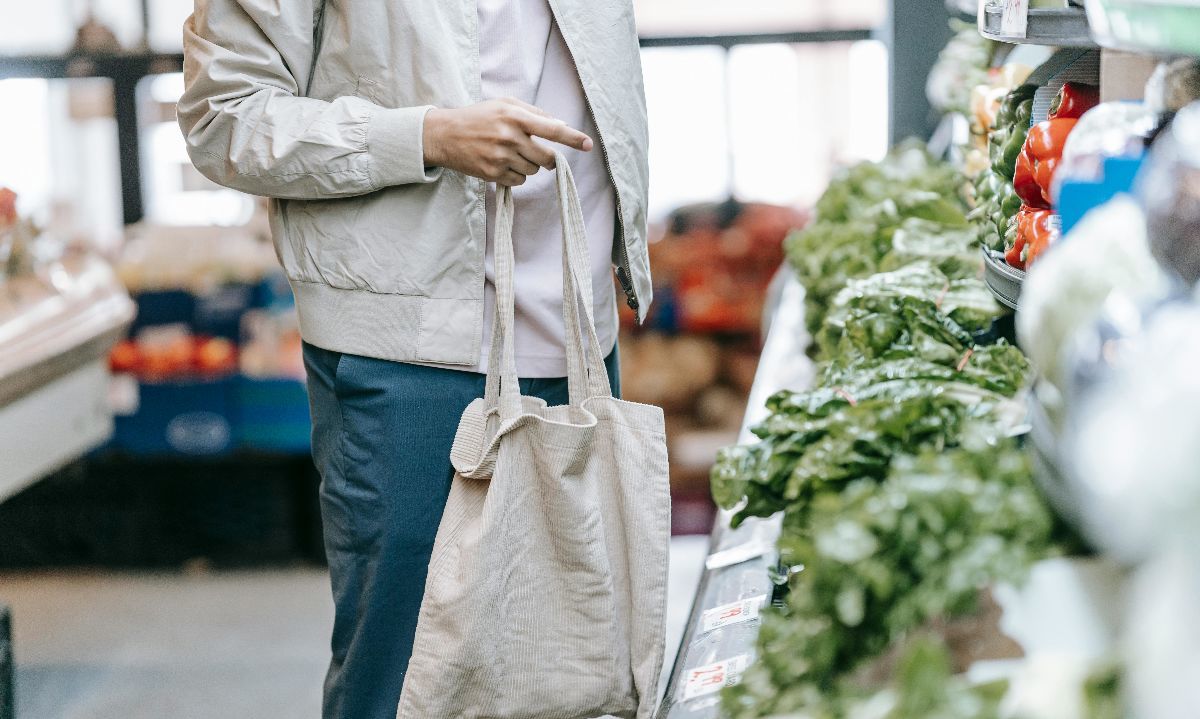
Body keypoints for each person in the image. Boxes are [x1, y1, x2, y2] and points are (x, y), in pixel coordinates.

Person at [177, 0, 652, 717]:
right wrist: (424, 135)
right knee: (401, 681)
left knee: (573, 675)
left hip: (578, 337)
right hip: (407, 348)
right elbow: (224, 117)